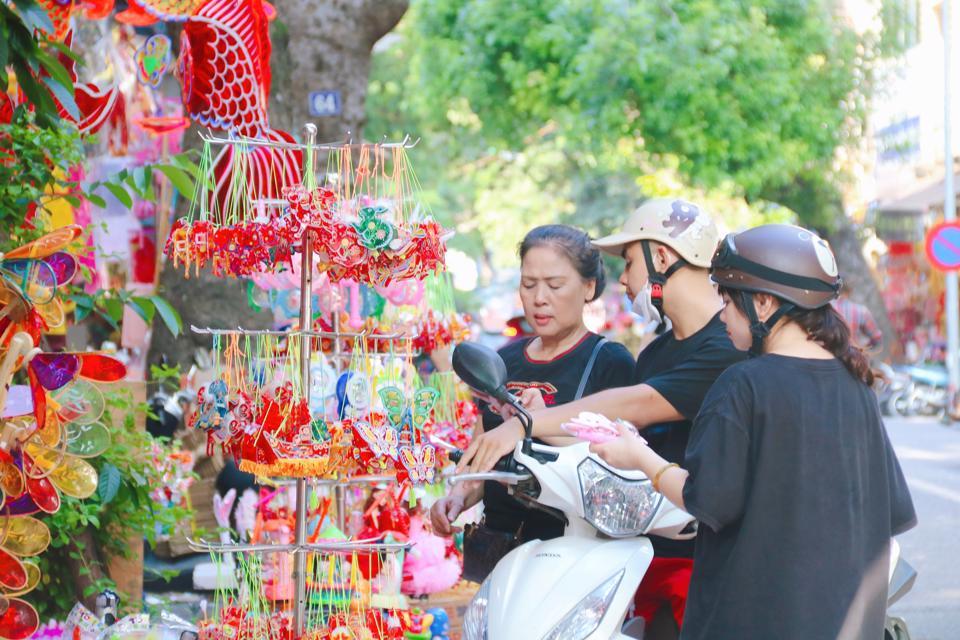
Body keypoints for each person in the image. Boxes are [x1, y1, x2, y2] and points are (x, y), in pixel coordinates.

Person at [590, 223, 917, 639]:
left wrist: (637, 454)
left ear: (762, 304)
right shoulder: (858, 386)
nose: (722, 313)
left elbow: (706, 499)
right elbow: (889, 512)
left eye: (727, 299)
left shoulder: (743, 384)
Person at [456, 198, 745, 630]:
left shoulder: (725, 347)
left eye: (629, 262)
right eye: (528, 284)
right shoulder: (657, 352)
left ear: (661, 257)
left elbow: (636, 406)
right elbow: (610, 444)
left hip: (703, 563)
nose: (624, 280)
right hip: (640, 559)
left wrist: (528, 424)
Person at [430, 225, 635, 549]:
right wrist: (457, 496)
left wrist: (536, 422)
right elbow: (482, 451)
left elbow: (617, 468)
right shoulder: (505, 359)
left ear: (588, 286)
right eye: (529, 284)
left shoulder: (609, 362)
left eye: (555, 285)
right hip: (499, 547)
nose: (539, 298)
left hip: (569, 552)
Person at [832, 283, 883, 351]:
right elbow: (876, 337)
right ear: (848, 292)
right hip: (853, 354)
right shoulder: (861, 311)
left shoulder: (824, 308)